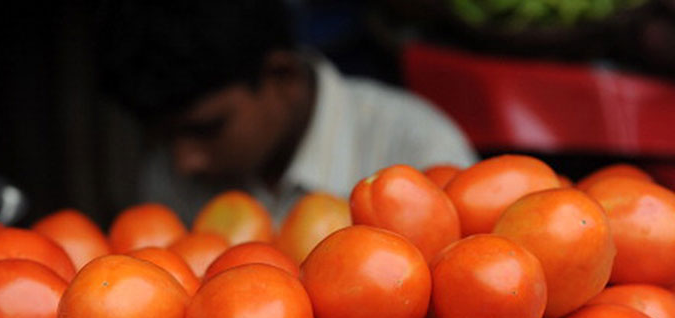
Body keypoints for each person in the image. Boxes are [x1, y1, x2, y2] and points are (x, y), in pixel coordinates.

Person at [95, 0, 477, 225]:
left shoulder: (417, 149)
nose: (184, 162)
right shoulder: (166, 181)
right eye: (163, 136)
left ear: (281, 77)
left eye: (207, 128)